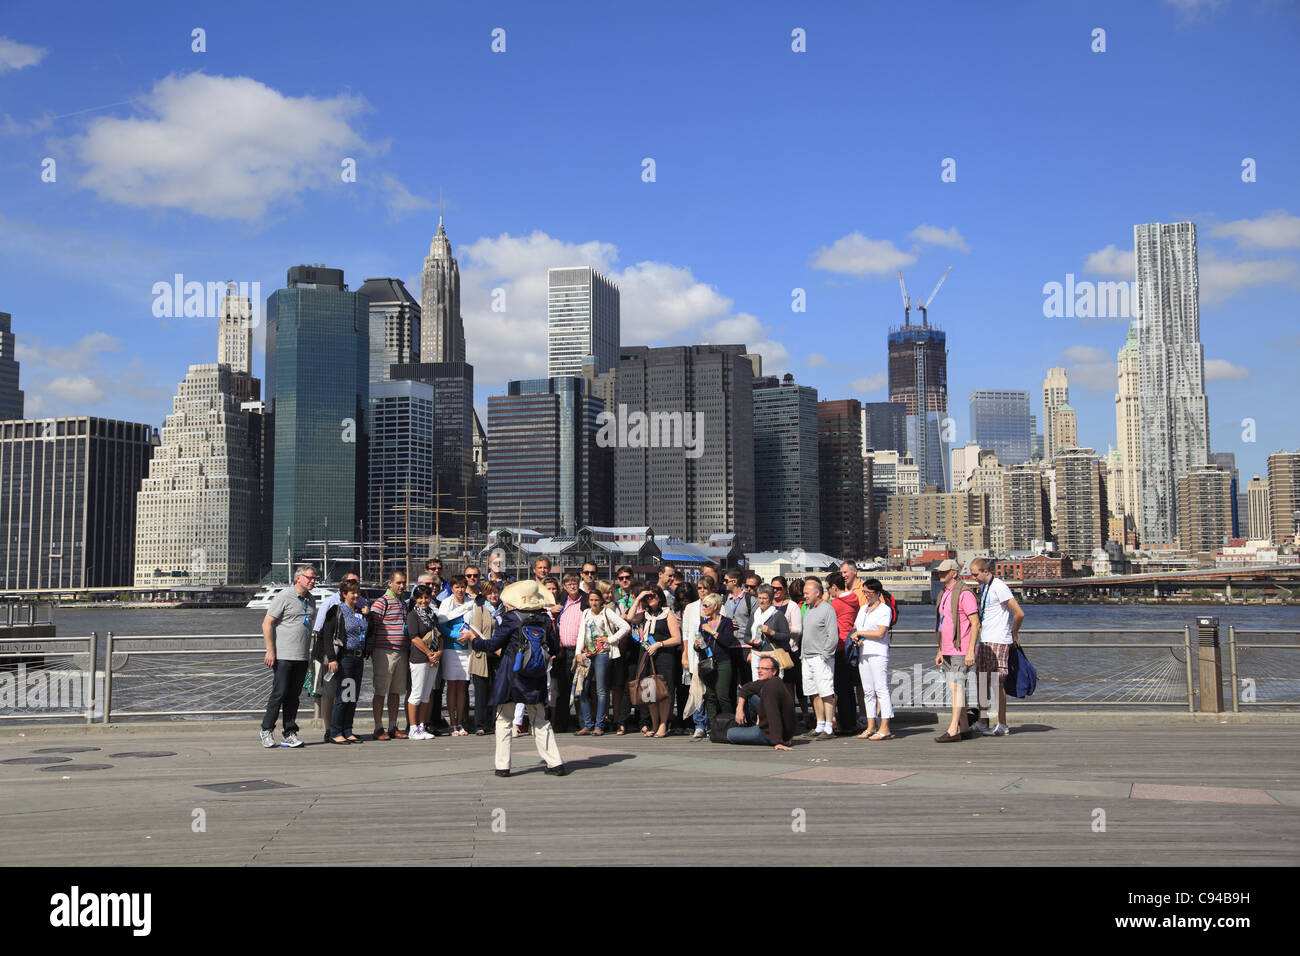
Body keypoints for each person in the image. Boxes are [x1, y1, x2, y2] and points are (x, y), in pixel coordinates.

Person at [470, 579, 567, 777]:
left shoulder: (512, 618)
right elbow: (556, 647)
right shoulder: (544, 619)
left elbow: (492, 644)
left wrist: (474, 641)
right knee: (540, 719)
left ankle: (503, 766)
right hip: (536, 674)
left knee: (504, 719)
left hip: (511, 674)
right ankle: (555, 762)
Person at [259, 564, 318, 748]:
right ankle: (266, 730)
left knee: (294, 696)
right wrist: (270, 650)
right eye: (309, 577)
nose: (313, 581)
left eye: (314, 578)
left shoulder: (311, 600)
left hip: (301, 656)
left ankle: (289, 733)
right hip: (284, 655)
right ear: (298, 578)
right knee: (279, 693)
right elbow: (267, 623)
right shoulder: (284, 596)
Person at [309, 571, 368, 741]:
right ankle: (335, 731)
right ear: (344, 594)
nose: (356, 595)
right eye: (352, 593)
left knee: (353, 696)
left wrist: (368, 615)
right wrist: (332, 659)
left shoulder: (359, 612)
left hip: (358, 657)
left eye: (358, 592)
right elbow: (326, 635)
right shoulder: (336, 610)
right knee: (343, 695)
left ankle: (348, 729)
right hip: (345, 658)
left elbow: (365, 631)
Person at [971, 557, 1024, 736]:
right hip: (985, 640)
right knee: (981, 681)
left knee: (997, 683)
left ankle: (1002, 724)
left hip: (999, 641)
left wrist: (1014, 633)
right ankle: (982, 720)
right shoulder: (985, 587)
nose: (973, 578)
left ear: (986, 571)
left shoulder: (999, 586)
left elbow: (1019, 613)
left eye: (975, 574)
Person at [934, 559, 980, 743]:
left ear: (955, 573)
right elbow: (942, 623)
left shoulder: (964, 593)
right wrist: (939, 649)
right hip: (947, 649)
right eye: (939, 571)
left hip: (961, 649)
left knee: (956, 687)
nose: (941, 574)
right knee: (956, 688)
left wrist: (970, 651)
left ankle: (953, 729)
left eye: (945, 571)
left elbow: (975, 623)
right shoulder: (944, 593)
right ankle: (966, 728)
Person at [628, 585, 682, 737]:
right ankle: (655, 723)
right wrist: (638, 598)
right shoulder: (645, 614)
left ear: (660, 597)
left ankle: (664, 724)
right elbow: (630, 617)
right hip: (647, 655)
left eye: (653, 596)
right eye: (648, 597)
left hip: (663, 656)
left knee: (663, 692)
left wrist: (660, 644)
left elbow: (676, 638)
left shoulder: (667, 614)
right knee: (650, 692)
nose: (650, 599)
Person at [575, 588, 629, 735]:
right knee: (583, 689)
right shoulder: (585, 613)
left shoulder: (606, 612)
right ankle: (587, 724)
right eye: (591, 600)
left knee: (601, 690)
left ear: (601, 601)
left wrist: (610, 639)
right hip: (587, 654)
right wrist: (578, 653)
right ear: (588, 601)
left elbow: (625, 626)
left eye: (596, 600)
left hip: (602, 654)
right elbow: (581, 633)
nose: (594, 603)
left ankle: (599, 725)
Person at [849, 577, 894, 741]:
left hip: (878, 652)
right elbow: (856, 627)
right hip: (863, 652)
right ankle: (871, 725)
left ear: (877, 593)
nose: (866, 595)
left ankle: (885, 726)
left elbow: (880, 633)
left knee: (881, 689)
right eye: (864, 592)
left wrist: (861, 633)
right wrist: (857, 637)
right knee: (867, 691)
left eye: (869, 592)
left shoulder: (884, 610)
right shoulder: (862, 609)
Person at [367, 570, 410, 740]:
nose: (401, 586)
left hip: (401, 652)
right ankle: (378, 727)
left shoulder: (403, 604)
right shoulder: (381, 602)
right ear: (390, 583)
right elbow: (372, 627)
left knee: (396, 692)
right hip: (384, 652)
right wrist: (371, 650)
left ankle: (393, 725)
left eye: (403, 583)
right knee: (380, 691)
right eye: (398, 583)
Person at [437, 575, 477, 736]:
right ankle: (452, 723)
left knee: (463, 687)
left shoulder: (471, 603)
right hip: (450, 649)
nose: (460, 590)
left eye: (462, 587)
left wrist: (469, 635)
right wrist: (454, 634)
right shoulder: (446, 603)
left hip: (467, 648)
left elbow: (476, 623)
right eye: (457, 587)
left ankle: (460, 722)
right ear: (452, 588)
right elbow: (441, 624)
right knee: (451, 686)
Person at [799, 578, 839, 740]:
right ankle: (820, 724)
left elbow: (833, 636)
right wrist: (802, 654)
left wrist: (825, 655)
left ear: (817, 593)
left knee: (826, 692)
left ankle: (829, 726)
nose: (805, 596)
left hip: (821, 658)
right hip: (806, 657)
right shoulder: (807, 609)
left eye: (807, 593)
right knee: (813, 692)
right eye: (804, 593)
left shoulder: (827, 610)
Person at [728, 657, 796, 749]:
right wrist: (739, 709)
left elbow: (773, 713)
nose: (759, 671)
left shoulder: (772, 686)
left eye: (764, 669)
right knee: (751, 696)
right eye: (758, 668)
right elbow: (746, 688)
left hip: (772, 734)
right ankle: (752, 726)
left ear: (774, 672)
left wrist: (778, 742)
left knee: (730, 734)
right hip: (772, 728)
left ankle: (755, 731)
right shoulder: (767, 683)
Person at [695, 592, 739, 730]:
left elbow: (727, 641)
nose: (704, 608)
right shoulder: (703, 623)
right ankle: (713, 727)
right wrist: (696, 645)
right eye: (702, 606)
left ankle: (730, 723)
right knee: (710, 695)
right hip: (707, 662)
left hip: (723, 661)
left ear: (715, 607)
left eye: (706, 605)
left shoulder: (726, 622)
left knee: (722, 695)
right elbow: (699, 645)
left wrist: (712, 631)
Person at [404, 585, 442, 740]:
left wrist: (438, 653)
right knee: (416, 693)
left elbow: (439, 635)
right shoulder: (413, 615)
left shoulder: (432, 615)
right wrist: (429, 653)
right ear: (415, 599)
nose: (424, 601)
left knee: (427, 694)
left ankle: (421, 726)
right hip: (419, 658)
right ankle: (413, 728)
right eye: (420, 598)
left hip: (433, 659)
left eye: (426, 597)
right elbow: (414, 637)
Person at [826, 571, 860, 735]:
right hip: (851, 645)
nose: (828, 592)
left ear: (834, 587)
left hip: (839, 646)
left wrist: (826, 599)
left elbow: (825, 617)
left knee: (840, 687)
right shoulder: (854, 600)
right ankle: (851, 721)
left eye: (828, 588)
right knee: (848, 688)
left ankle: (846, 724)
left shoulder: (836, 604)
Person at [551, 572, 586, 732]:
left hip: (580, 651)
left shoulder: (584, 600)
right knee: (563, 690)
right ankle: (561, 723)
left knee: (581, 690)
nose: (572, 586)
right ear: (564, 587)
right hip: (563, 652)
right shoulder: (562, 601)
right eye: (569, 584)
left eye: (575, 583)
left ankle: (584, 724)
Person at [679, 577, 713, 740]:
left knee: (710, 691)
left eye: (705, 588)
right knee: (696, 690)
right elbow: (685, 633)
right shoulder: (690, 608)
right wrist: (685, 654)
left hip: (711, 653)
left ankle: (710, 724)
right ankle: (699, 724)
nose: (702, 591)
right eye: (699, 588)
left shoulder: (717, 604)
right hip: (694, 654)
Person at [466, 580, 499, 736]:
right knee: (481, 692)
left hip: (498, 655)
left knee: (497, 692)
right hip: (482, 655)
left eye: (495, 592)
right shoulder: (480, 609)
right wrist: (488, 644)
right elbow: (475, 634)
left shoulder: (502, 610)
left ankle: (495, 723)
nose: (493, 595)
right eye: (490, 593)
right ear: (485, 595)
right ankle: (480, 724)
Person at [747, 584, 791, 680]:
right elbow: (746, 636)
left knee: (775, 683)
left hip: (773, 655)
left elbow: (787, 636)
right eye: (759, 598)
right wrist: (751, 641)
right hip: (757, 654)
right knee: (757, 683)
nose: (761, 601)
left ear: (770, 599)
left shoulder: (778, 615)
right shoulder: (754, 615)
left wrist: (772, 632)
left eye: (764, 598)